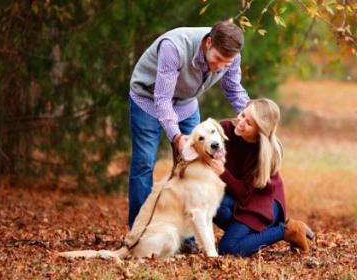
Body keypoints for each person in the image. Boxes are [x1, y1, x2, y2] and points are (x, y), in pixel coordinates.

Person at [127, 21, 250, 253]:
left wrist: (254, 117)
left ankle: (187, 238)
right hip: (147, 100)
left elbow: (234, 90)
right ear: (208, 43)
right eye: (218, 59)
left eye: (228, 62)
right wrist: (177, 137)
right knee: (144, 164)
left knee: (194, 169)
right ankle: (138, 236)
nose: (222, 66)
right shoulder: (174, 47)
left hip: (185, 105)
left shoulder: (231, 56)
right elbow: (162, 99)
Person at [211, 98, 314, 256]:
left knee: (228, 249)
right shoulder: (224, 128)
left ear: (260, 131)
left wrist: (222, 173)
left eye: (249, 123)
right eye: (243, 115)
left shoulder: (262, 154)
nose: (241, 122)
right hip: (237, 199)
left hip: (261, 204)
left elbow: (246, 195)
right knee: (208, 199)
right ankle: (248, 234)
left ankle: (286, 230)